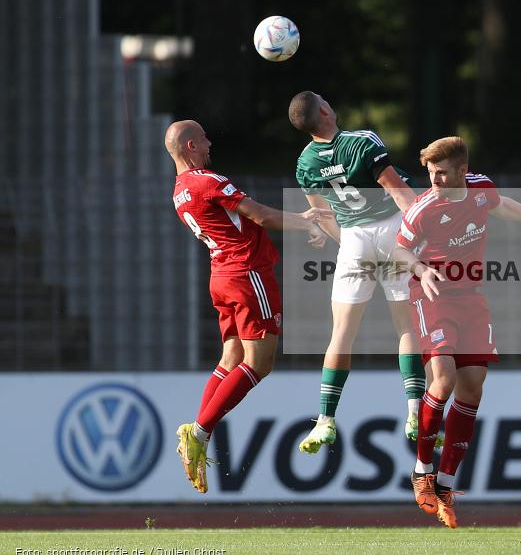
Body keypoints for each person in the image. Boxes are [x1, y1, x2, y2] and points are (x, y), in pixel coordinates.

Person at [167, 120, 330, 493]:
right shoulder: (207, 180)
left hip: (221, 277)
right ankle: (200, 431)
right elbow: (260, 215)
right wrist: (305, 223)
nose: (210, 143)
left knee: (230, 360)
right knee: (260, 362)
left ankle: (197, 434)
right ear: (191, 146)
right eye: (205, 138)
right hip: (246, 274)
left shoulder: (178, 190)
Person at [393, 136, 521, 529]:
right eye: (430, 173)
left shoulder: (480, 188)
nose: (435, 180)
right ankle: (421, 470)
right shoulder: (424, 206)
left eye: (442, 172)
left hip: (470, 296)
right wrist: (421, 269)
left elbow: (501, 205)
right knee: (442, 380)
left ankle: (445, 483)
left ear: (463, 170)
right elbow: (398, 251)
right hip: (432, 295)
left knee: (473, 385)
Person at [289, 91, 430, 454]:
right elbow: (399, 191)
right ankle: (415, 412)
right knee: (406, 327)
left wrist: (351, 247)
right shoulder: (362, 141)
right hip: (392, 228)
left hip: (353, 239)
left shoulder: (304, 162)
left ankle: (325, 420)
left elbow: (323, 217)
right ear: (325, 109)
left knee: (342, 333)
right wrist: (425, 231)